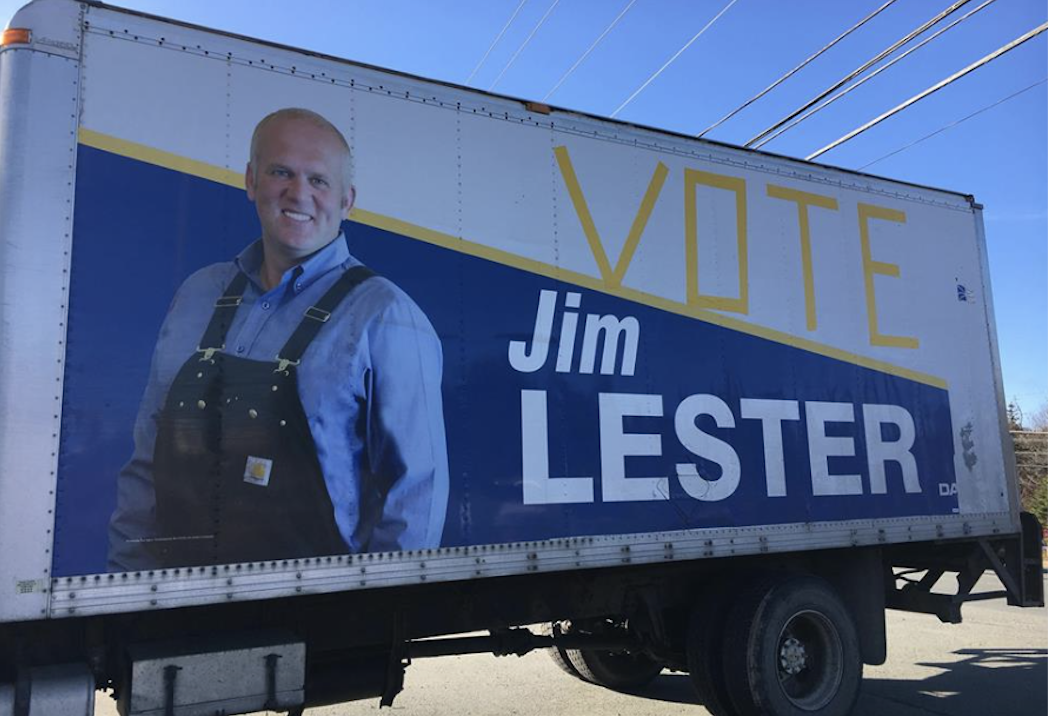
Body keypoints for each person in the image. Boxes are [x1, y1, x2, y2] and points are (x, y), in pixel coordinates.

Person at [107, 108, 449, 571]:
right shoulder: (196, 295)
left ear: (347, 201)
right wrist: (128, 578)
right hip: (175, 599)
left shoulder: (387, 317)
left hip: (318, 614)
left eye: (319, 180)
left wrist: (370, 616)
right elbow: (149, 454)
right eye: (281, 172)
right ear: (251, 181)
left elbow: (414, 498)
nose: (299, 192)